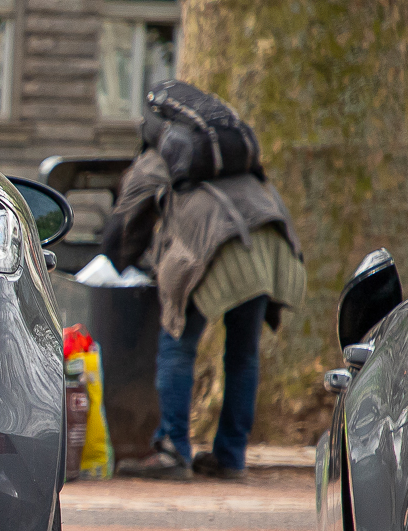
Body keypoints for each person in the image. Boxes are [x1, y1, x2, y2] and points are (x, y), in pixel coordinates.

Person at [99, 80, 306, 481]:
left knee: (177, 343)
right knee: (243, 354)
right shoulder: (232, 158)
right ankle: (230, 458)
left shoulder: (157, 160)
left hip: (217, 246)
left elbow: (123, 227)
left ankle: (173, 449)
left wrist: (111, 262)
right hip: (271, 243)